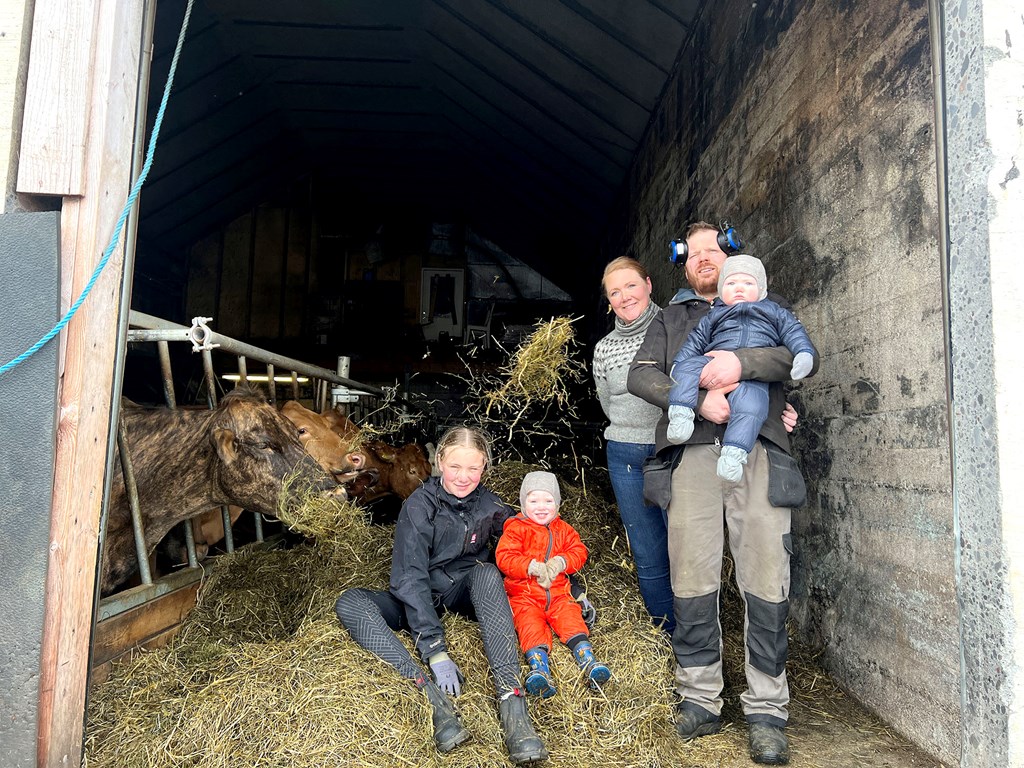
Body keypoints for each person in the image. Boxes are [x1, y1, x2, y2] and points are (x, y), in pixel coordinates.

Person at [627, 221, 817, 766]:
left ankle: (767, 710)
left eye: (713, 249)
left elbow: (796, 357)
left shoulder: (766, 306)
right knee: (691, 575)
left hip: (759, 452)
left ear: (731, 255)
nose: (705, 259)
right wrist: (693, 399)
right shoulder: (670, 320)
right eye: (694, 254)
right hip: (693, 455)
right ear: (683, 264)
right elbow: (641, 375)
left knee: (766, 577)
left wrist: (741, 364)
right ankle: (699, 698)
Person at [334, 426, 548, 765]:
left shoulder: (491, 505)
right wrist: (435, 651)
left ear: (484, 466)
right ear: (440, 462)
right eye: (455, 466)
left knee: (486, 572)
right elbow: (410, 576)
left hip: (461, 592)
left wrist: (570, 590)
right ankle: (430, 696)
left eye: (473, 468)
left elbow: (532, 544)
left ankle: (513, 704)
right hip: (417, 598)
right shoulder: (419, 504)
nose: (463, 477)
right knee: (351, 602)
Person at [666, 254, 816, 482]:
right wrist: (679, 364)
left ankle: (733, 455)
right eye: (731, 283)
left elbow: (793, 332)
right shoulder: (714, 315)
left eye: (747, 283)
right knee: (685, 369)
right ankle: (681, 415)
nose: (739, 288)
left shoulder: (774, 311)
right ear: (721, 289)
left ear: (761, 290)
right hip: (712, 360)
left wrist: (803, 353)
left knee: (753, 407)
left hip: (753, 377)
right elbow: (696, 340)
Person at [592, 256, 675, 635]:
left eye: (631, 286)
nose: (624, 297)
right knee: (647, 551)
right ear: (609, 302)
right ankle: (667, 633)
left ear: (649, 284)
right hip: (624, 454)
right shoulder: (604, 348)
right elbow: (608, 404)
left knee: (685, 547)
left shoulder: (675, 326)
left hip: (671, 449)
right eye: (615, 292)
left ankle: (697, 640)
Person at [495, 471, 612, 698]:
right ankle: (539, 669)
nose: (541, 507)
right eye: (533, 501)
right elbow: (504, 558)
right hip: (525, 595)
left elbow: (579, 551)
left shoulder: (564, 530)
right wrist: (530, 566)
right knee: (529, 624)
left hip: (558, 593)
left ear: (557, 504)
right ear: (523, 504)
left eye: (548, 501)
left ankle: (588, 660)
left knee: (571, 618)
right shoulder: (516, 529)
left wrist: (561, 562)